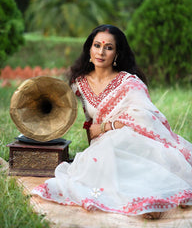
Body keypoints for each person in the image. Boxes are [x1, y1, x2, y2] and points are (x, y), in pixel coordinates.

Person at [32, 24, 192, 220]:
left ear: (116, 54)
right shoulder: (78, 83)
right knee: (97, 163)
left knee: (123, 154)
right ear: (89, 49)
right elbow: (79, 117)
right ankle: (142, 201)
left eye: (108, 47)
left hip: (134, 137)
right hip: (102, 143)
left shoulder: (129, 82)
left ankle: (150, 201)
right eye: (97, 45)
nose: (101, 52)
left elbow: (146, 116)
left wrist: (109, 126)